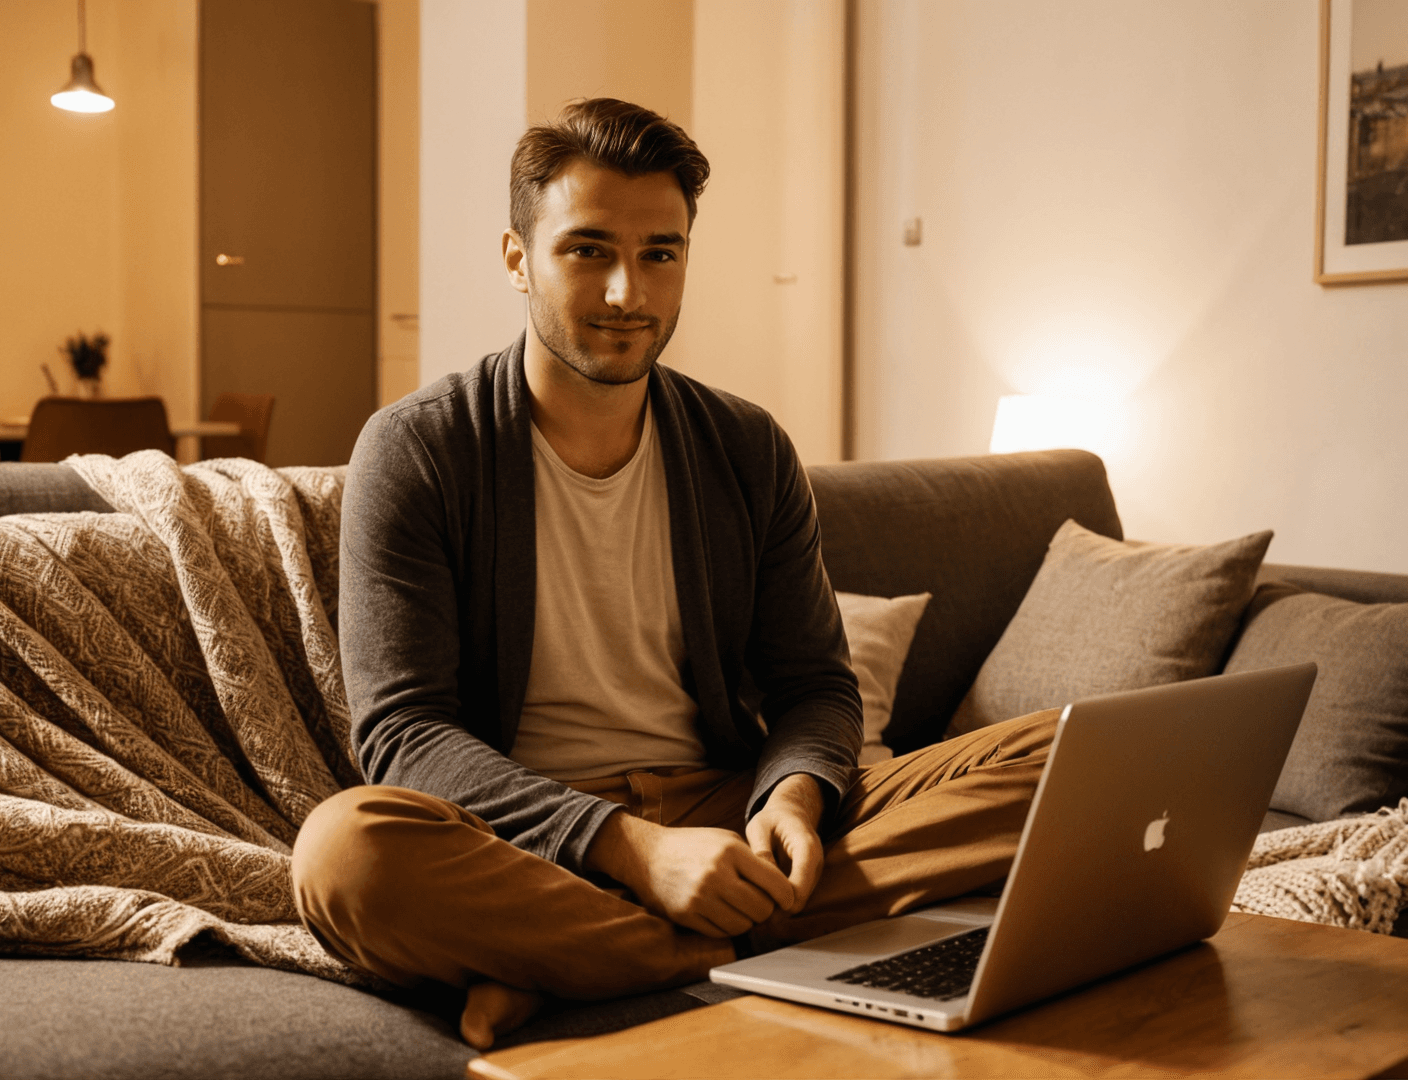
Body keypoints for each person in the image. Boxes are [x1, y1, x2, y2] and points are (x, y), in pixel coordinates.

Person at [291, 98, 1058, 1050]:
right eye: (587, 250)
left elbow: (816, 684)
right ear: (516, 257)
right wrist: (635, 851)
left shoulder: (744, 446)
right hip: (519, 833)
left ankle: (554, 962)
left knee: (1068, 760)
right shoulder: (420, 449)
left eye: (661, 252)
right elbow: (404, 734)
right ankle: (702, 946)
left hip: (723, 803)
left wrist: (793, 794)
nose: (627, 291)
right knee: (345, 856)